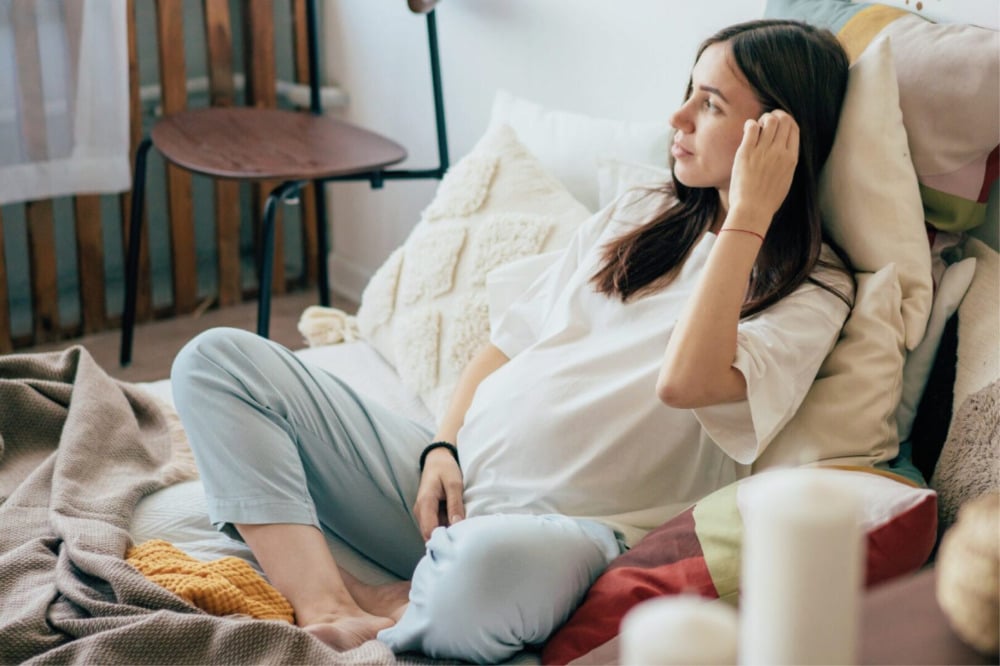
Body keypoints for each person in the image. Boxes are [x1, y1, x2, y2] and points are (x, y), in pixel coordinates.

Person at [171, 18, 853, 663]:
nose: (676, 120)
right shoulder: (644, 209)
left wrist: (751, 214)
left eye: (708, 105)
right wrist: (442, 443)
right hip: (445, 488)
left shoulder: (811, 290)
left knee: (483, 573)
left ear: (778, 136)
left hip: (564, 535)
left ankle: (409, 595)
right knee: (215, 361)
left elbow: (687, 382)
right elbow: (505, 343)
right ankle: (331, 601)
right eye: (687, 95)